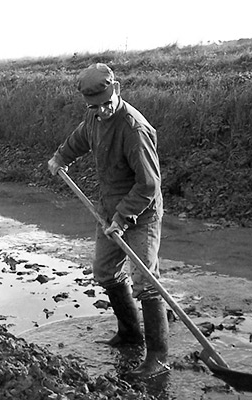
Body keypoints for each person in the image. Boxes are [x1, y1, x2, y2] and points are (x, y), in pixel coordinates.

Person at [46, 63, 169, 379]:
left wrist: (124, 218)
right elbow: (80, 137)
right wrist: (61, 158)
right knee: (105, 271)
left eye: (106, 103)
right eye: (94, 106)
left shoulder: (134, 129)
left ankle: (157, 358)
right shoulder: (94, 116)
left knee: (146, 282)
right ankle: (130, 334)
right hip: (109, 209)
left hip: (140, 213)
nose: (101, 110)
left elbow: (149, 185)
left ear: (117, 89)